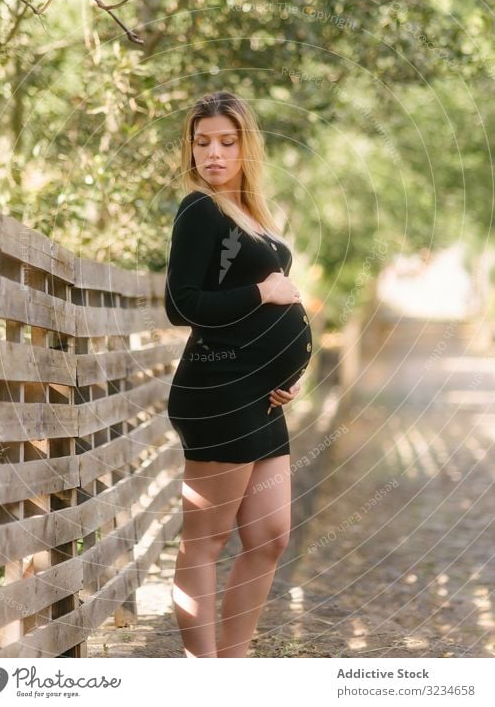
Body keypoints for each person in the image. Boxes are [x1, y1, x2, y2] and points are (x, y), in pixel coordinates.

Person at [164, 90, 313, 657]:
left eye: (227, 142)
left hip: (264, 397)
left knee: (270, 536)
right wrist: (263, 289)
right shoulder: (200, 209)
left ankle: (236, 659)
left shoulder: (251, 214)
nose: (214, 154)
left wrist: (291, 371)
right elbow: (182, 304)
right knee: (206, 538)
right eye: (203, 143)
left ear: (248, 147)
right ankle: (205, 674)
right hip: (219, 393)